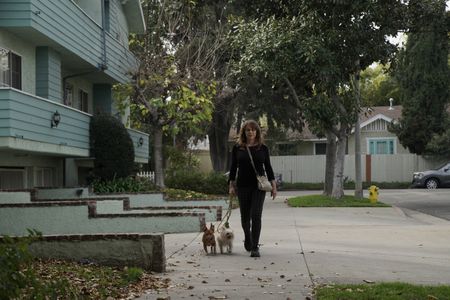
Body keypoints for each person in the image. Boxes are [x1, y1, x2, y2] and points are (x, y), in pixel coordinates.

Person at [228, 120, 277, 258]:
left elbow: (268, 168)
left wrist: (273, 186)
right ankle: (248, 237)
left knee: (256, 216)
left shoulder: (263, 148)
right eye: (248, 130)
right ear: (244, 132)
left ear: (257, 132)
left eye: (253, 130)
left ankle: (255, 247)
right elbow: (233, 168)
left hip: (259, 187)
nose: (251, 132)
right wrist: (231, 185)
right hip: (242, 186)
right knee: (245, 219)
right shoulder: (238, 148)